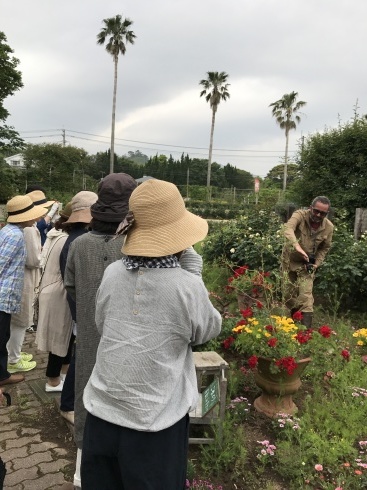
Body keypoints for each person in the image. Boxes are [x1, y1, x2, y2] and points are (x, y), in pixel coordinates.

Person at [81, 179, 222, 490]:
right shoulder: (186, 284)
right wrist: (194, 277)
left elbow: (102, 323)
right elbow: (206, 330)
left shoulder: (113, 272)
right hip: (154, 424)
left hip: (102, 412)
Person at [64, 173, 137, 489]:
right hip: (129, 345)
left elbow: (71, 289)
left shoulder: (79, 245)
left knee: (87, 399)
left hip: (91, 339)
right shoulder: (135, 245)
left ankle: (82, 475)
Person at [58, 191, 98, 427]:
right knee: (80, 355)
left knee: (80, 353)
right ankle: (68, 404)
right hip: (82, 309)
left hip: (79, 308)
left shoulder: (75, 237)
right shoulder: (79, 241)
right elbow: (74, 283)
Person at [0, 195, 47, 386]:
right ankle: (3, 376)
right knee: (1, 337)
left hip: (6, 295)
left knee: (4, 335)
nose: (35, 218)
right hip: (3, 295)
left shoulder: (10, 231)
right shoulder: (15, 236)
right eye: (32, 215)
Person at [35, 203, 74, 393]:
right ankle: (53, 380)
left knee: (65, 336)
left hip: (48, 286)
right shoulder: (68, 240)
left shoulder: (54, 233)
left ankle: (63, 372)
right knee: (59, 337)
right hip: (59, 291)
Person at [282, 196, 334, 327]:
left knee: (306, 295)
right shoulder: (300, 215)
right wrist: (297, 246)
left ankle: (305, 333)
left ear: (326, 214)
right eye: (316, 211)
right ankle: (293, 323)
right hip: (290, 260)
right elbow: (288, 229)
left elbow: (325, 248)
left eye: (322, 213)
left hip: (307, 265)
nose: (318, 215)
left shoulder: (328, 227)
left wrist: (317, 263)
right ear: (311, 208)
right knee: (288, 294)